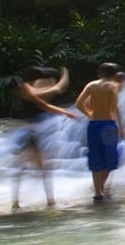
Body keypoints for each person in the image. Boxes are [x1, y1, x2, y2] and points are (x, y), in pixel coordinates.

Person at [11, 66, 78, 210]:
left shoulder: (32, 91)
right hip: (28, 133)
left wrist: (66, 112)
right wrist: (59, 85)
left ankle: (49, 201)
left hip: (35, 133)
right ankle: (17, 202)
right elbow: (39, 94)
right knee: (23, 168)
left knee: (42, 168)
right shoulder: (24, 87)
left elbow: (44, 106)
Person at [75, 62, 125, 204]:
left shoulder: (91, 85)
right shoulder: (112, 86)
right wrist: (121, 127)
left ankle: (98, 193)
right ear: (113, 74)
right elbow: (115, 107)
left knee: (95, 157)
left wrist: (89, 113)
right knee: (110, 157)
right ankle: (102, 187)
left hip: (94, 124)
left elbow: (78, 103)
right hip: (108, 125)